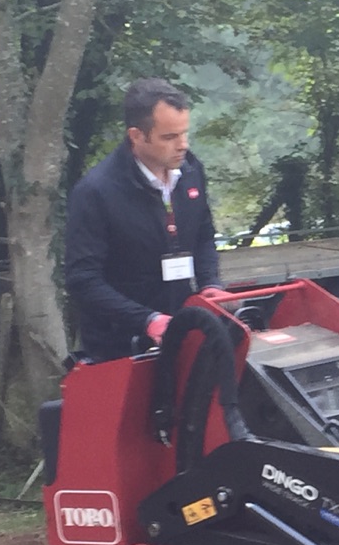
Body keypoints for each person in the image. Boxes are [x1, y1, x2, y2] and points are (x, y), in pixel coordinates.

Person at [65, 78, 223, 362]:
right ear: (136, 136)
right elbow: (83, 280)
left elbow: (203, 236)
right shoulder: (96, 191)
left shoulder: (191, 170)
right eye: (169, 137)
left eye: (185, 133)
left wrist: (210, 284)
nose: (183, 145)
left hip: (182, 330)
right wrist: (147, 319)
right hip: (121, 347)